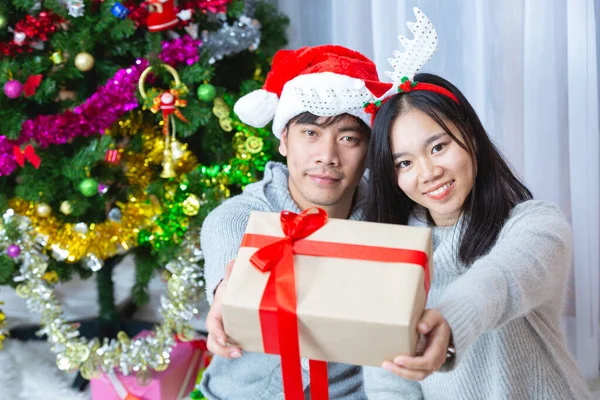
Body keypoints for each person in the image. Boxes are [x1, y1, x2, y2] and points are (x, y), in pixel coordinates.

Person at [361, 7, 592, 400]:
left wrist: (447, 323)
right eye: (404, 162)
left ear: (468, 136)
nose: (428, 171)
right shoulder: (390, 255)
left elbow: (501, 280)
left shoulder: (536, 225)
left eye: (438, 146)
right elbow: (389, 382)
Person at [199, 45, 392, 399]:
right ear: (284, 140)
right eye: (311, 134)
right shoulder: (239, 216)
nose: (327, 157)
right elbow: (227, 236)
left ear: (369, 151)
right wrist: (227, 291)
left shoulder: (389, 221)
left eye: (348, 138)